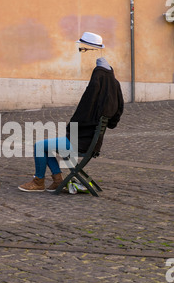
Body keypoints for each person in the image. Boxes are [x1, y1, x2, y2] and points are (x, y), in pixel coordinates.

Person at [18, 32, 124, 192]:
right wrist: (106, 123)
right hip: (93, 143)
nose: (80, 52)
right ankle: (57, 180)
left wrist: (71, 129)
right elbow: (118, 111)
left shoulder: (98, 77)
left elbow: (84, 109)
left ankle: (38, 182)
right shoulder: (113, 81)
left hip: (80, 142)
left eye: (82, 49)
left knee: (39, 146)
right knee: (47, 146)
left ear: (90, 50)